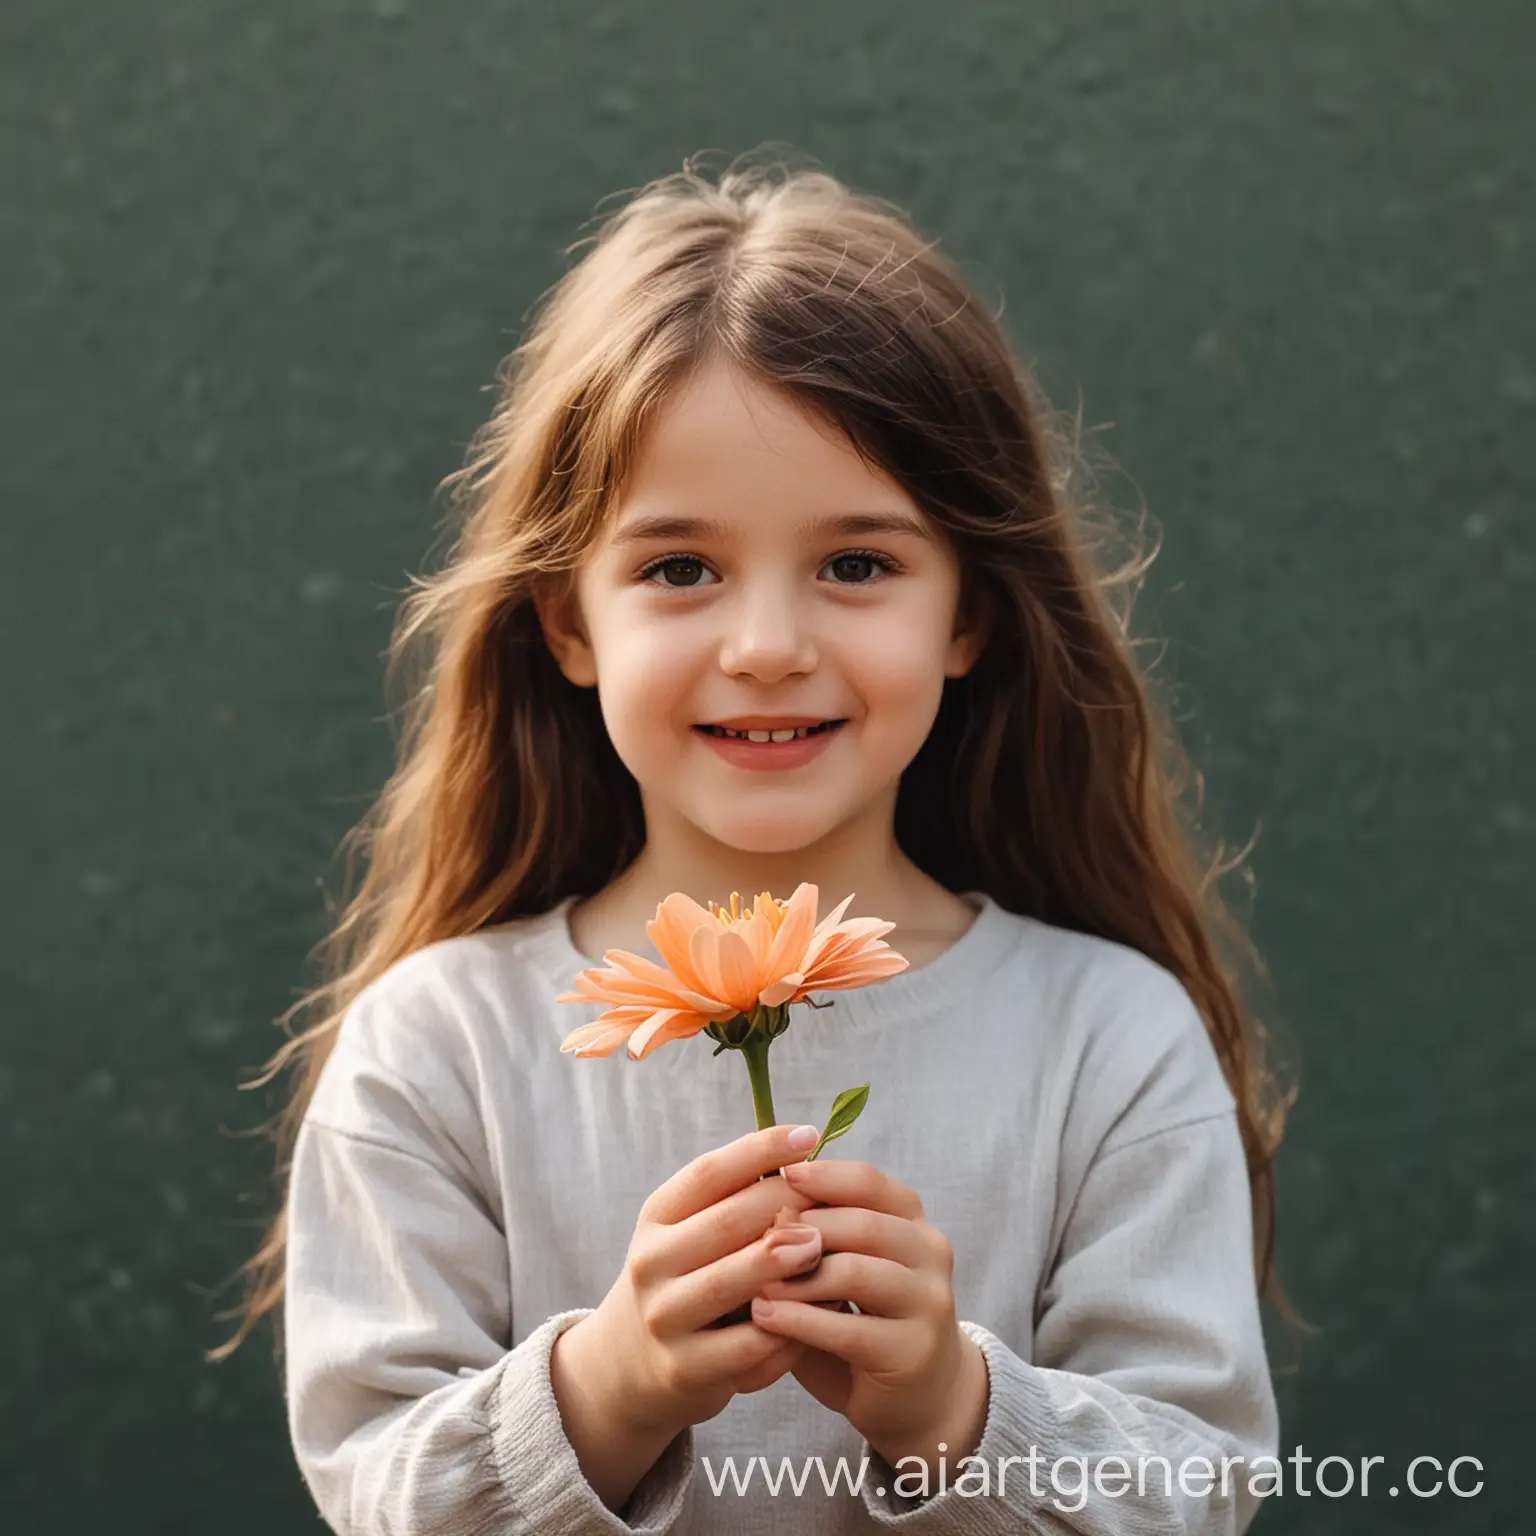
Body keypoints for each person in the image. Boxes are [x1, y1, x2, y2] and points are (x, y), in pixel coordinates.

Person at [208, 151, 1301, 1533]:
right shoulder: (439, 1052)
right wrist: (612, 1385)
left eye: (858, 564)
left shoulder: (1112, 1043)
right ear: (566, 620)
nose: (769, 647)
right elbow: (385, 1488)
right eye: (678, 569)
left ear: (968, 617)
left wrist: (953, 1410)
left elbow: (1192, 1483)